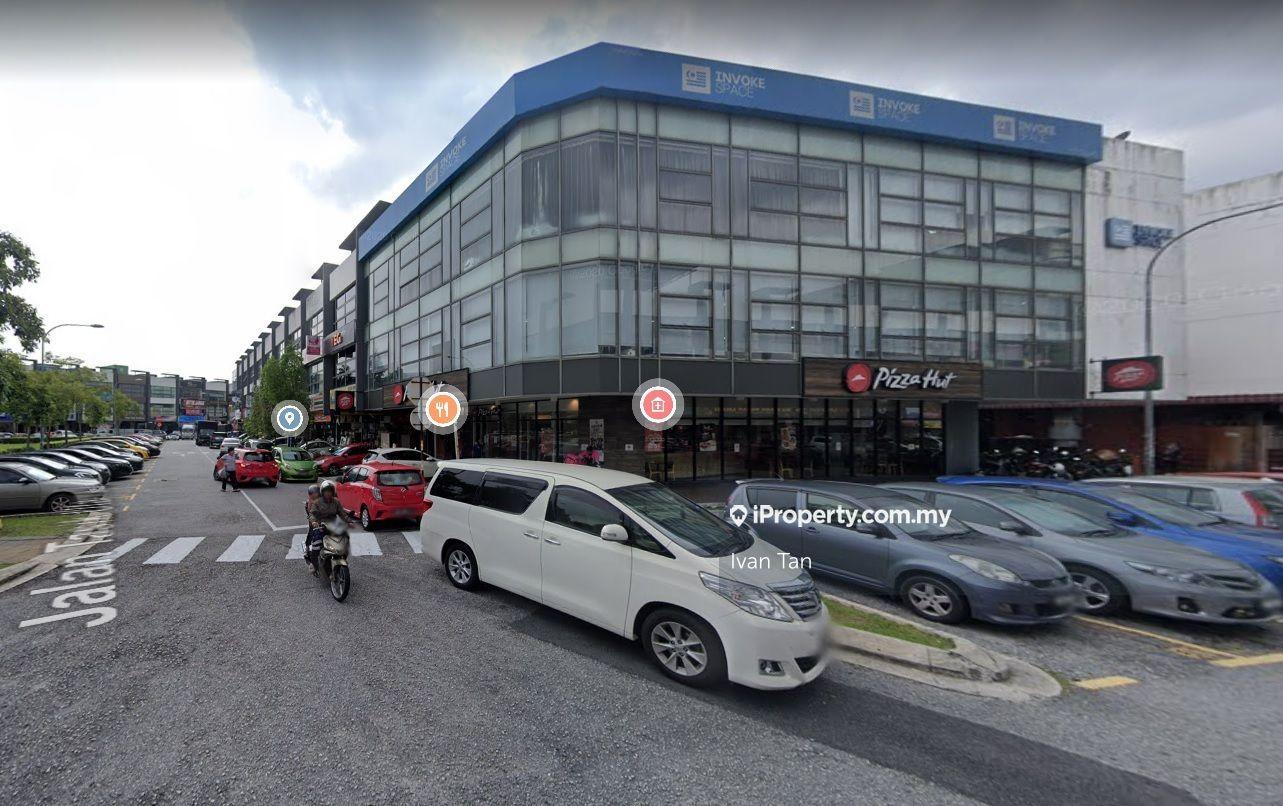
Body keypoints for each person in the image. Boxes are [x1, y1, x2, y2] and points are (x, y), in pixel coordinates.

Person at [304, 481, 352, 575]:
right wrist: (314, 522)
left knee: (345, 537)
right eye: (326, 491)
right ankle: (314, 565)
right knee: (316, 544)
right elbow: (312, 514)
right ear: (322, 492)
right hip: (320, 525)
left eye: (330, 491)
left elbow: (342, 513)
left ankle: (341, 557)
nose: (328, 493)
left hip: (333, 525)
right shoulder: (317, 502)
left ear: (333, 492)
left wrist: (348, 519)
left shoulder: (336, 502)